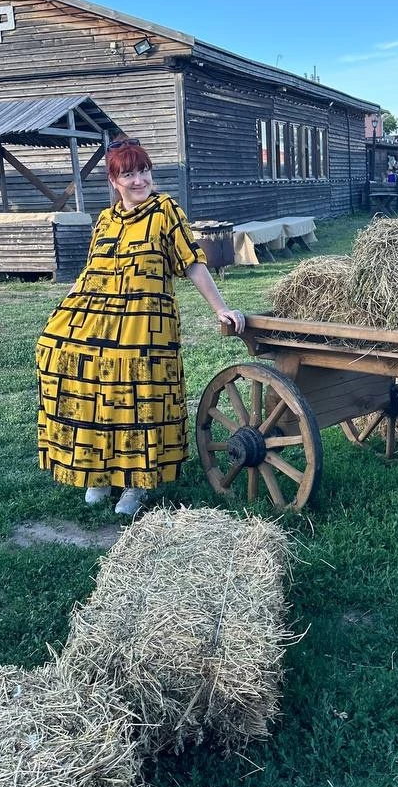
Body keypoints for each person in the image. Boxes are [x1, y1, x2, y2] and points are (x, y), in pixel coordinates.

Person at [35, 138, 245, 516]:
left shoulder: (165, 211)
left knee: (136, 397)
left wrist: (220, 308)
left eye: (143, 171)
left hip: (144, 323)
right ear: (114, 180)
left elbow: (192, 262)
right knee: (82, 378)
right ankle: (98, 472)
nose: (139, 180)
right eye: (128, 173)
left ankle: (135, 483)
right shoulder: (104, 220)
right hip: (97, 316)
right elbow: (91, 270)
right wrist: (65, 306)